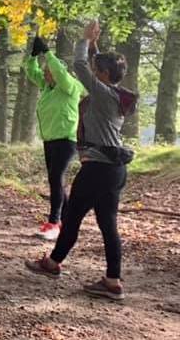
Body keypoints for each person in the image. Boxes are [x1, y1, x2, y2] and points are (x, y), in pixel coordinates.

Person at [25, 20, 137, 301]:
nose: (93, 71)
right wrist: (96, 46)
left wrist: (85, 40)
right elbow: (98, 68)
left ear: (103, 75)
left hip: (98, 167)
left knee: (72, 217)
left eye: (97, 69)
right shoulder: (116, 94)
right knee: (108, 224)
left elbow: (78, 64)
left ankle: (52, 264)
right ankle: (112, 281)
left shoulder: (100, 91)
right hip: (115, 169)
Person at [24, 35, 86, 240]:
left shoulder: (70, 86)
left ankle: (54, 223)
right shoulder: (48, 87)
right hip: (50, 140)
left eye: (49, 71)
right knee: (55, 180)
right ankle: (69, 220)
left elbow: (59, 73)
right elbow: (31, 72)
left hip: (66, 139)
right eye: (46, 71)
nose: (45, 73)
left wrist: (47, 52)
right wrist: (33, 56)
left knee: (55, 178)